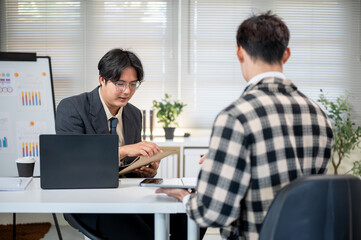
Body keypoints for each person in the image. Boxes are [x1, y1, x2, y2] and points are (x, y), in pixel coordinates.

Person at [156, 11, 334, 240]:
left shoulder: (236, 117)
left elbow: (212, 213)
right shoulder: (320, 116)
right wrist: (229, 156)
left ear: (240, 52)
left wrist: (184, 197)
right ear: (286, 54)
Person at [56, 48, 205, 239]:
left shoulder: (133, 114)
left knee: (192, 215)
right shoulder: (73, 107)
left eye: (133, 84)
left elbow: (128, 167)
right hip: (89, 200)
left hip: (127, 195)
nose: (127, 91)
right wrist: (123, 151)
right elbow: (72, 161)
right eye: (120, 84)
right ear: (102, 79)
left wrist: (146, 170)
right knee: (143, 235)